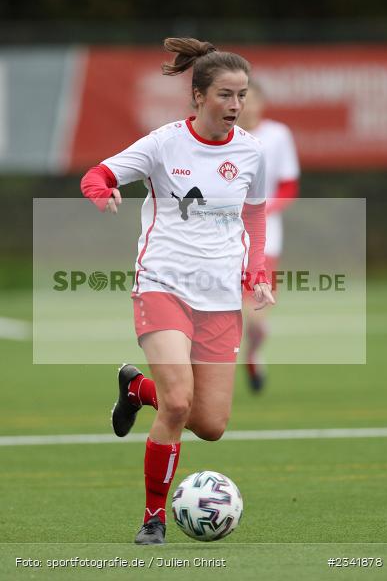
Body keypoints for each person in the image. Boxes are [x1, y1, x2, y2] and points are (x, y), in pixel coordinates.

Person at [81, 38, 275, 545]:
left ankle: (134, 387)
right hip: (162, 286)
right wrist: (102, 190)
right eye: (225, 95)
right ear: (198, 96)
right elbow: (98, 172)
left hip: (219, 299)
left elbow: (253, 213)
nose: (235, 106)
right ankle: (154, 518)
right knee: (178, 404)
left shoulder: (252, 152)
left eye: (242, 95)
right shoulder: (164, 143)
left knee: (209, 424)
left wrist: (257, 272)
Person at [238, 81, 300, 392]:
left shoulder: (278, 135)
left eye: (251, 99)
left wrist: (264, 209)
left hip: (266, 235)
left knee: (257, 314)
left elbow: (288, 184)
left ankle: (253, 352)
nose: (246, 106)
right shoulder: (222, 135)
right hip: (223, 235)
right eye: (239, 99)